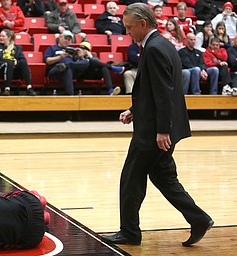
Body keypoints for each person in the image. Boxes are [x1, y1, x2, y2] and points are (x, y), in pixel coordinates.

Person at [101, 3, 213, 247]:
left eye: (130, 27)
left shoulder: (153, 49)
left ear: (143, 24)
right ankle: (199, 219)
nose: (127, 32)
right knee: (164, 178)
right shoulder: (163, 44)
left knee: (131, 179)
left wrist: (162, 129)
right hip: (160, 125)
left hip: (153, 132)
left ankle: (129, 232)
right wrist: (134, 110)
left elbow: (163, 93)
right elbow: (156, 91)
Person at [0, 29, 37, 96]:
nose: (0, 38)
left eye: (3, 36)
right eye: (0, 36)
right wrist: (4, 63)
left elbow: (22, 59)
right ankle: (7, 89)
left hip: (14, 71)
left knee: (23, 62)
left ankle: (29, 87)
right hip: (1, 70)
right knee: (9, 62)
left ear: (9, 37)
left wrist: (16, 62)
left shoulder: (16, 48)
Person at [43, 30, 89, 95]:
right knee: (67, 69)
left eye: (69, 40)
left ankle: (67, 65)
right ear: (60, 38)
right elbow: (48, 61)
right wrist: (60, 57)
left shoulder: (73, 50)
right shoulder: (52, 48)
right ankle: (70, 95)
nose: (67, 41)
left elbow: (77, 64)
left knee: (86, 62)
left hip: (71, 71)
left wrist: (81, 57)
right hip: (56, 70)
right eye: (65, 39)